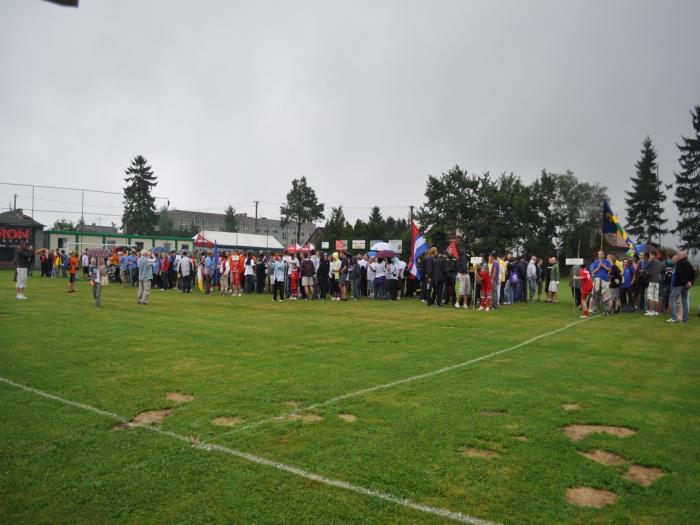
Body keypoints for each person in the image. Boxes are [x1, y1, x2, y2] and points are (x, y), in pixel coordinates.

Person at [668, 250, 695, 323]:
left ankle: (674, 318)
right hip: (686, 286)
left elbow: (680, 274)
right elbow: (693, 273)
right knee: (684, 301)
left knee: (673, 299)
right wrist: (690, 282)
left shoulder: (679, 263)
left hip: (678, 285)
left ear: (682, 256)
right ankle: (685, 319)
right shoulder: (689, 263)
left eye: (678, 255)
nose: (677, 256)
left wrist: (685, 282)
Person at [644, 250, 664, 316]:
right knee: (656, 297)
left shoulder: (652, 261)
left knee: (650, 297)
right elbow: (662, 271)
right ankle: (656, 312)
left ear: (653, 255)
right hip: (657, 281)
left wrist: (649, 261)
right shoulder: (660, 262)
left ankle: (651, 311)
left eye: (650, 255)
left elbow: (646, 268)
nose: (649, 256)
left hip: (651, 281)